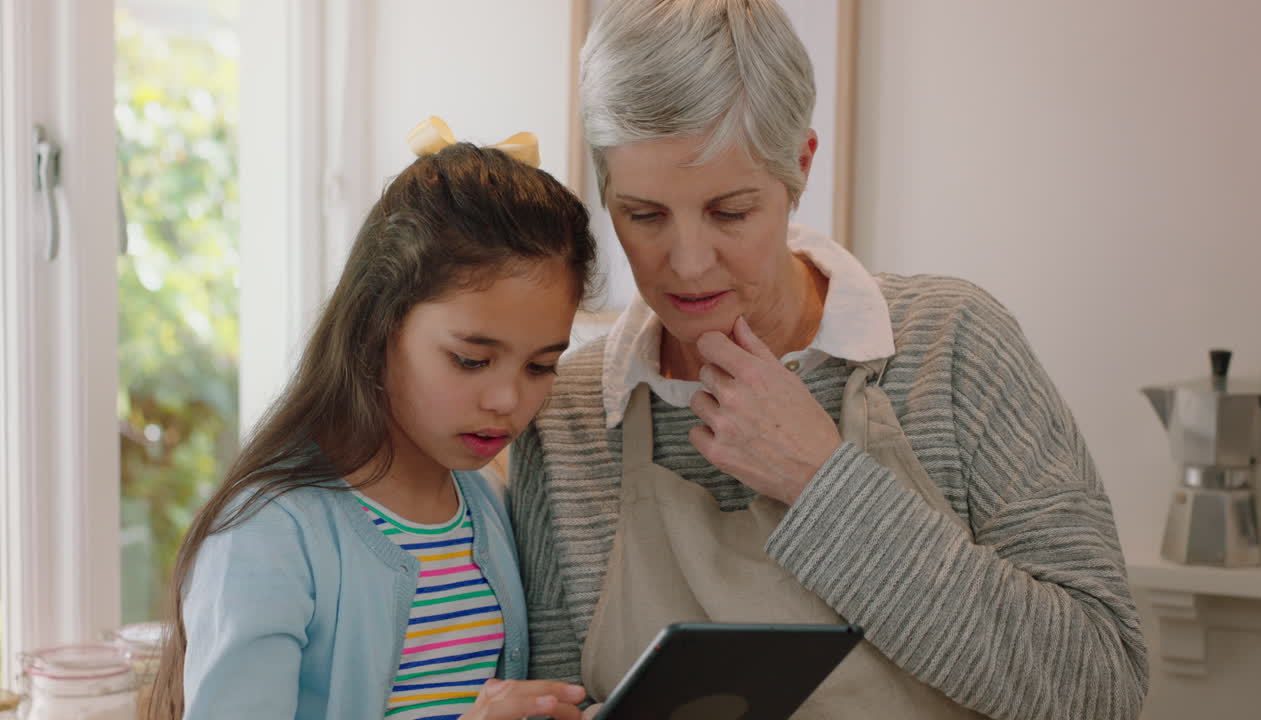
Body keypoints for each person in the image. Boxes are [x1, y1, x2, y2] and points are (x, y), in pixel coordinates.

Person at [507, 2, 1148, 718]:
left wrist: (822, 484)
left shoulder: (954, 345)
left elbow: (1102, 688)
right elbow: (560, 698)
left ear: (800, 168)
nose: (686, 264)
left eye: (730, 212)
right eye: (644, 215)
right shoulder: (563, 415)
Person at [147, 132, 596, 720]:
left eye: (541, 366)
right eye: (470, 359)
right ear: (380, 323)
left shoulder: (482, 504)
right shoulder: (268, 535)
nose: (508, 398)